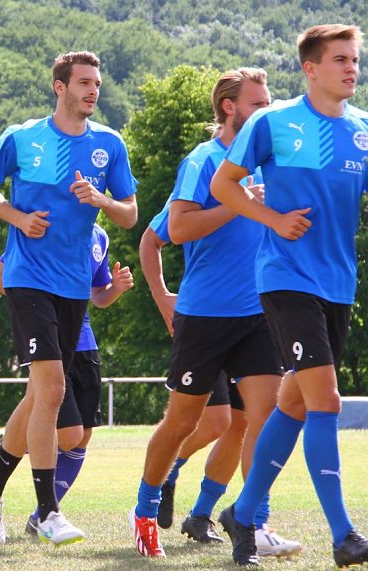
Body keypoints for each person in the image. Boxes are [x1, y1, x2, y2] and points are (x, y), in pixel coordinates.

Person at [211, 24, 368, 568]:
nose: (351, 68)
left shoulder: (363, 130)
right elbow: (223, 186)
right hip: (286, 279)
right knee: (325, 401)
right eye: (341, 59)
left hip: (337, 285)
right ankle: (345, 536)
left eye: (355, 59)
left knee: (295, 403)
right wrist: (273, 219)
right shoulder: (272, 123)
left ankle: (242, 513)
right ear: (311, 68)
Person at [0, 50, 137, 546]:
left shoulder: (109, 144)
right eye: (84, 82)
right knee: (52, 391)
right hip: (27, 278)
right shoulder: (22, 137)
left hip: (73, 286)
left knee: (40, 394)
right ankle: (48, 511)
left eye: (97, 84)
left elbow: (130, 214)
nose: (93, 91)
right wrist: (19, 219)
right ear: (59, 87)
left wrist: (101, 200)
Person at [130, 67, 291, 559]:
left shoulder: (268, 164)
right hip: (205, 316)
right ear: (229, 107)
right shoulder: (203, 160)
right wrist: (163, 296)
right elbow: (175, 230)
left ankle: (253, 522)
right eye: (257, 104)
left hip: (258, 313)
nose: (265, 112)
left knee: (263, 418)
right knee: (183, 423)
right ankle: (144, 510)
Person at [140, 190, 300, 557]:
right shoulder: (205, 177)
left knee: (252, 420)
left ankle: (224, 519)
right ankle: (165, 475)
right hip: (205, 319)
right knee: (212, 422)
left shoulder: (275, 177)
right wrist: (162, 296)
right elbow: (151, 240)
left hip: (256, 321)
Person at [0, 223, 134, 537]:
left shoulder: (100, 236)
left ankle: (37, 513)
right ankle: (20, 466)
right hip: (50, 344)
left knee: (82, 436)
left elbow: (99, 296)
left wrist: (116, 288)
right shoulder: (49, 223)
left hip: (85, 345)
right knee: (68, 434)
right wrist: (37, 310)